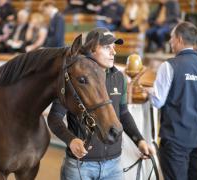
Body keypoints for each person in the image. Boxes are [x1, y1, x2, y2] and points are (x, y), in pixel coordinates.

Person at [47, 27, 154, 180]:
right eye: (106, 47)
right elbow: (55, 118)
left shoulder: (119, 78)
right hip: (80, 167)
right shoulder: (74, 77)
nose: (113, 52)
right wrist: (70, 140)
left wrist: (139, 140)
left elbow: (123, 113)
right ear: (91, 49)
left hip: (114, 165)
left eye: (114, 47)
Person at [147, 21, 197, 180]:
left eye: (171, 38)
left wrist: (149, 92)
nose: (170, 42)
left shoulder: (169, 66)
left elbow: (158, 101)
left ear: (179, 39)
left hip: (175, 139)